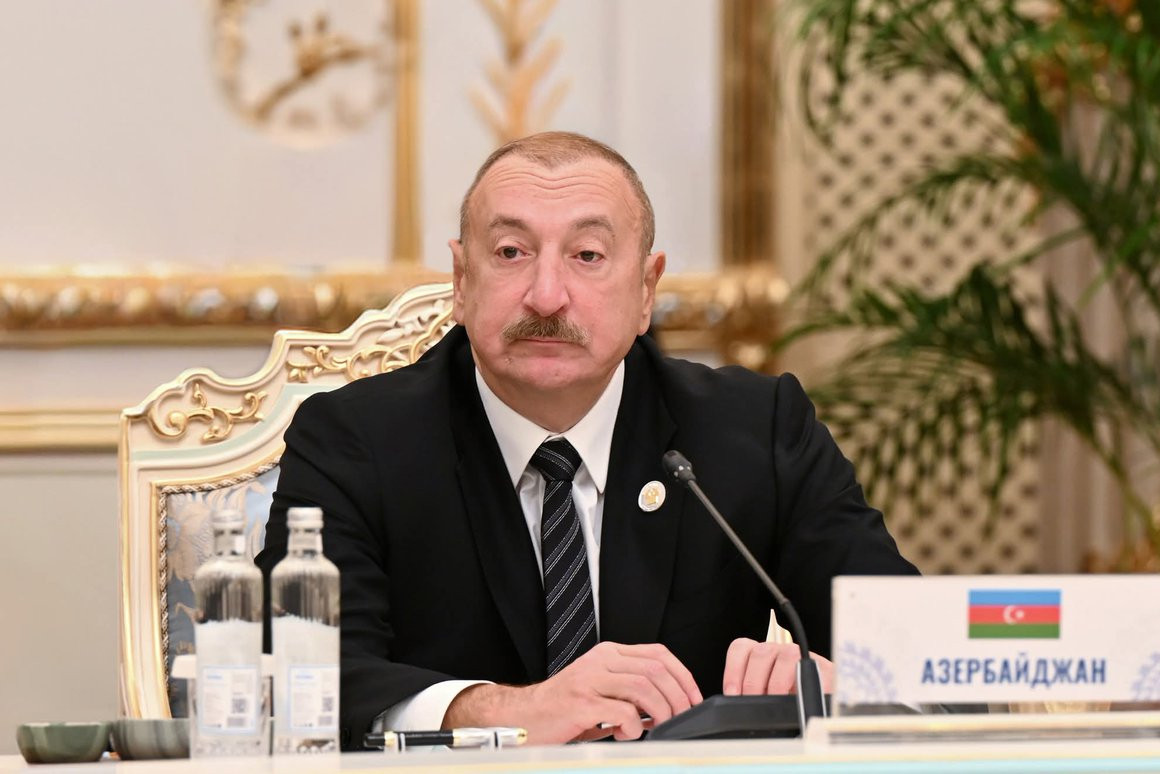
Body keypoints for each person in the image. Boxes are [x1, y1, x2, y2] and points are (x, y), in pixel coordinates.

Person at [256, 131, 917, 748]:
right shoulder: (355, 441)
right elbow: (300, 670)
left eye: (588, 256)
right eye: (511, 253)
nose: (547, 297)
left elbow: (917, 648)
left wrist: (843, 685)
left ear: (646, 289)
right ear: (461, 281)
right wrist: (506, 711)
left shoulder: (756, 429)